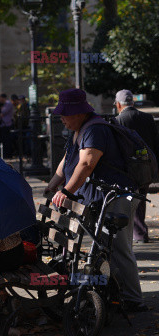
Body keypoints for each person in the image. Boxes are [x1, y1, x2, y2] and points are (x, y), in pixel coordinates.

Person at [45, 88, 147, 312]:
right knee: (104, 248)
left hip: (117, 195)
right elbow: (68, 160)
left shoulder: (95, 129)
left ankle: (133, 299)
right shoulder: (78, 130)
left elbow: (86, 164)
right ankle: (114, 294)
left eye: (65, 113)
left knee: (119, 248)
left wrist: (67, 192)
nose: (61, 118)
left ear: (80, 112)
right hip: (101, 197)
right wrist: (53, 184)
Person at [114, 89, 159, 244]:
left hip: (128, 169)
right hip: (147, 167)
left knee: (130, 199)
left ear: (119, 104)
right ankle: (140, 232)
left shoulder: (118, 120)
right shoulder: (147, 118)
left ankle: (137, 233)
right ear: (132, 102)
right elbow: (155, 142)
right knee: (141, 198)